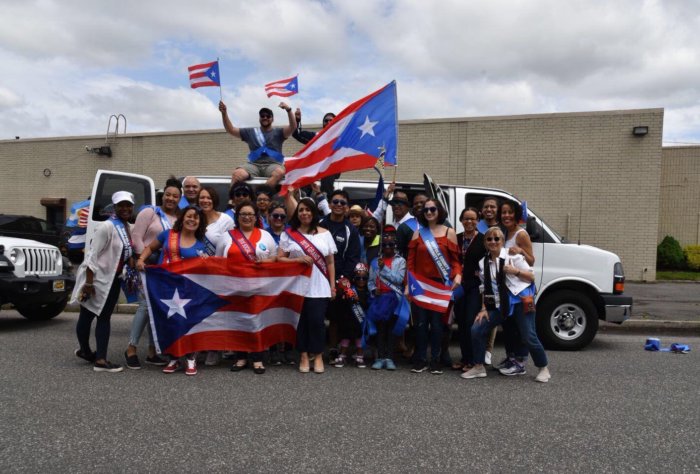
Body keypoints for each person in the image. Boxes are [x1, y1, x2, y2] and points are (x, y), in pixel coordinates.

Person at [462, 227, 551, 383]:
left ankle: (543, 368)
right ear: (485, 242)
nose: (493, 241)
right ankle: (478, 366)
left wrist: (515, 271)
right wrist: (484, 309)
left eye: (497, 238)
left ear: (502, 241)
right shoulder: (483, 262)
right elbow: (485, 287)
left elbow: (531, 277)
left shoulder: (512, 255)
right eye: (489, 239)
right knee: (477, 327)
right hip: (499, 304)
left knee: (528, 335)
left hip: (520, 299)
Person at [136, 206, 209, 375]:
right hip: (165, 286)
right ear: (182, 218)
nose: (192, 220)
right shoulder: (168, 235)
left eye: (196, 218)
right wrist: (141, 259)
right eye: (189, 216)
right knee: (170, 322)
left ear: (200, 222)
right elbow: (150, 248)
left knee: (187, 323)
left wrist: (205, 260)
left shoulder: (201, 243)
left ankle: (191, 358)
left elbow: (203, 268)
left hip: (187, 289)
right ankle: (174, 358)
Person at [72, 191, 137, 373]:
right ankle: (92, 354)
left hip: (113, 280)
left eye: (128, 205)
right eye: (121, 205)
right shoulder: (106, 227)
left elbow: (122, 252)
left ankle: (96, 355)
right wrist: (89, 283)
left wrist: (130, 260)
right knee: (87, 315)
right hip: (96, 280)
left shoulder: (127, 227)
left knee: (104, 317)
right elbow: (91, 256)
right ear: (114, 207)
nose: (125, 208)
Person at [124, 178, 181, 369]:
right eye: (168, 195)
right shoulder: (150, 212)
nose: (171, 199)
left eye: (175, 196)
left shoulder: (178, 219)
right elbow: (137, 237)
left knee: (156, 309)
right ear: (162, 195)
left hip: (164, 269)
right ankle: (131, 347)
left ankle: (151, 351)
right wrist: (143, 258)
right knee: (144, 307)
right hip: (146, 265)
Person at [216, 200, 278, 374]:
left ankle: (258, 357)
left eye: (250, 214)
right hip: (233, 287)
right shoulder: (227, 236)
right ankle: (241, 356)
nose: (246, 217)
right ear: (237, 217)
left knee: (257, 322)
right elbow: (218, 261)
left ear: (255, 217)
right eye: (243, 214)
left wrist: (265, 261)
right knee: (239, 322)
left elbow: (274, 258)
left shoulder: (265, 235)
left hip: (259, 287)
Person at [278, 196, 336, 374]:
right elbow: (280, 259)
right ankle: (303, 354)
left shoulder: (325, 233)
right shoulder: (289, 234)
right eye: (301, 210)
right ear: (297, 213)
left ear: (314, 212)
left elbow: (330, 262)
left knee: (317, 322)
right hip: (297, 285)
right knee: (301, 322)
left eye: (308, 210)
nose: (304, 213)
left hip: (320, 286)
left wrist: (332, 285)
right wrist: (297, 260)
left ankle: (317, 355)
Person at [407, 199, 462, 375]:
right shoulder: (417, 233)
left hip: (440, 285)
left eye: (432, 209)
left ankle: (436, 360)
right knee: (421, 324)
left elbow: (455, 261)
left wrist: (458, 274)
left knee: (438, 325)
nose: (429, 212)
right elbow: (410, 263)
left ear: (439, 210)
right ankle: (421, 359)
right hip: (421, 285)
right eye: (426, 210)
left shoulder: (449, 232)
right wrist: (408, 284)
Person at [319, 189, 361, 360]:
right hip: (317, 277)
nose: (338, 205)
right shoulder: (320, 224)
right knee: (317, 315)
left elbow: (353, 258)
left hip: (339, 279)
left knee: (335, 316)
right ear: (329, 204)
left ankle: (333, 347)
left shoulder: (351, 230)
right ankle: (315, 348)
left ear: (347, 208)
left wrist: (340, 279)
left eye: (342, 203)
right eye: (335, 202)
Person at [219, 101, 297, 188]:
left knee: (279, 173)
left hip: (273, 165)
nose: (265, 117)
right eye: (262, 116)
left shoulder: (279, 132)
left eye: (268, 116)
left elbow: (293, 127)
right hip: (253, 165)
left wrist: (288, 110)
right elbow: (231, 130)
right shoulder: (251, 132)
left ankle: (260, 194)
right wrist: (224, 113)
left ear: (272, 119)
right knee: (236, 174)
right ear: (259, 118)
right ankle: (231, 201)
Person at [198, 186, 235, 366]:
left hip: (218, 272)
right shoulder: (194, 218)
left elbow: (231, 243)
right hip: (197, 272)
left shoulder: (225, 220)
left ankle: (215, 349)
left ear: (214, 200)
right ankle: (201, 346)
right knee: (200, 311)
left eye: (208, 198)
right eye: (202, 198)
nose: (205, 201)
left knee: (216, 311)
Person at [368, 229, 406, 370]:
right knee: (380, 330)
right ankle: (379, 357)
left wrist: (384, 269)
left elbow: (399, 279)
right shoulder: (375, 261)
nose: (388, 247)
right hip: (379, 299)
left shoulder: (400, 261)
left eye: (391, 245)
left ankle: (389, 357)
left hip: (393, 298)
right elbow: (370, 282)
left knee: (391, 329)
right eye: (385, 245)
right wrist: (373, 289)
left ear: (395, 246)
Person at [452, 207, 485, 372]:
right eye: (466, 218)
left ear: (478, 220)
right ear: (461, 220)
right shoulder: (456, 238)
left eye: (472, 219)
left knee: (470, 321)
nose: (469, 222)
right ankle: (465, 358)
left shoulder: (484, 239)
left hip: (474, 286)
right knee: (460, 321)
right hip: (458, 285)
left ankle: (473, 360)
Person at [293, 108, 338, 194]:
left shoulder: (340, 138)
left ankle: (327, 201)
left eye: (331, 120)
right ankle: (306, 202)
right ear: (323, 123)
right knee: (304, 175)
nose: (328, 122)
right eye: (326, 120)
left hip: (331, 169)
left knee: (327, 173)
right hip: (314, 168)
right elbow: (297, 134)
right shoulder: (316, 137)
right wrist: (297, 120)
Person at [396, 193, 428, 258]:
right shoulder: (404, 227)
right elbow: (400, 254)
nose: (419, 205)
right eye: (415, 203)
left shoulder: (442, 223)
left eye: (422, 202)